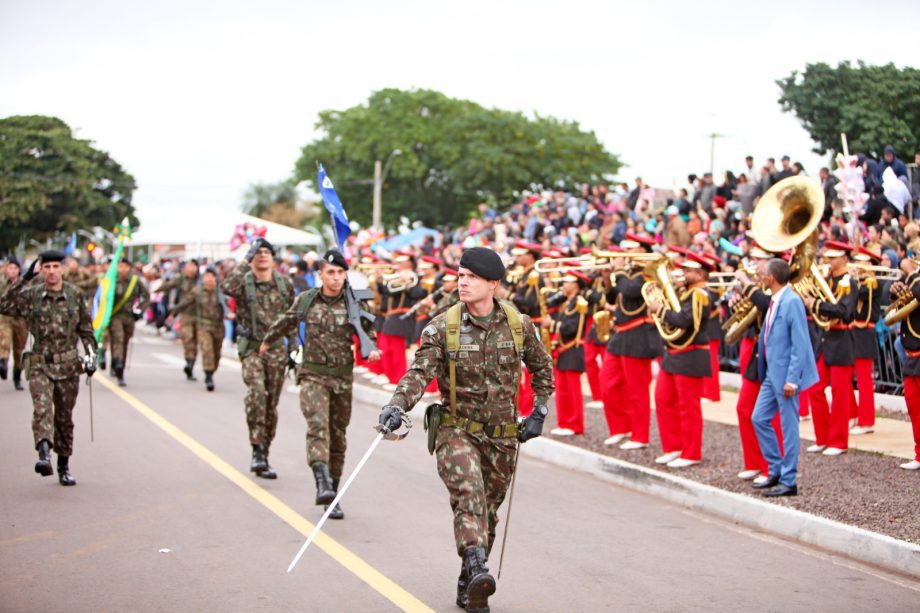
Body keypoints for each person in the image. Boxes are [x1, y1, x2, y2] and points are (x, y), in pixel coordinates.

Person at [378, 247, 554, 613]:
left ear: (493, 284)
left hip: (503, 436)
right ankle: (477, 568)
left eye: (472, 277)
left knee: (488, 512)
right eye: (460, 275)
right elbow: (419, 373)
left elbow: (543, 369)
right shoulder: (443, 327)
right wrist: (397, 405)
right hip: (457, 430)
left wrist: (538, 411)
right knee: (469, 495)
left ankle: (469, 579)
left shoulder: (518, 324)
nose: (463, 282)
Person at [261, 249, 381, 519]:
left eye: (340, 272)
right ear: (320, 275)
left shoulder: (356, 303)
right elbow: (286, 321)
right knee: (318, 427)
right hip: (313, 375)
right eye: (330, 272)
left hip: (342, 378)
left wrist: (371, 347)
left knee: (338, 437)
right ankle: (321, 480)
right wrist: (268, 341)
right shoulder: (306, 300)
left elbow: (369, 332)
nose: (336, 278)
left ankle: (333, 494)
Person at [0, 251, 97, 485]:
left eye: (56, 266)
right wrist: (24, 278)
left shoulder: (75, 295)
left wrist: (92, 356)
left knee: (64, 418)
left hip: (68, 366)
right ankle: (44, 454)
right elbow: (4, 304)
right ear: (41, 270)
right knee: (43, 409)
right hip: (40, 363)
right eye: (47, 267)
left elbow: (86, 330)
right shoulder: (32, 295)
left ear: (62, 269)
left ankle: (64, 464)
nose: (52, 271)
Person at [221, 238, 296, 479]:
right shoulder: (244, 282)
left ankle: (265, 450)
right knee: (257, 393)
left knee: (271, 403)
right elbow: (226, 287)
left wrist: (295, 349)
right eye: (258, 252)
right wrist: (245, 260)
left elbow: (292, 318)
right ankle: (256, 450)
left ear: (273, 258)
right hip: (252, 348)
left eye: (267, 252)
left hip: (276, 351)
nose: (262, 255)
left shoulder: (285, 284)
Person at [751, 258, 819, 496]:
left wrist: (793, 379)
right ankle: (776, 468)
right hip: (772, 374)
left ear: (772, 278)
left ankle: (789, 480)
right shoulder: (776, 299)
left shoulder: (791, 301)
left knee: (789, 427)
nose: (760, 276)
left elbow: (800, 344)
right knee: (758, 418)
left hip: (786, 377)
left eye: (763, 273)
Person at [645, 250, 714, 469]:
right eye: (684, 270)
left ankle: (691, 452)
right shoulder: (685, 292)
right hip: (674, 353)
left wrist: (660, 309)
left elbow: (685, 321)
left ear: (700, 274)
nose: (683, 273)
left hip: (691, 354)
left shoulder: (700, 294)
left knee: (688, 407)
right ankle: (673, 447)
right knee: (663, 399)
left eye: (688, 271)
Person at [601, 234, 662, 449]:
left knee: (637, 391)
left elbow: (630, 291)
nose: (626, 253)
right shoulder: (626, 273)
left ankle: (640, 436)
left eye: (632, 249)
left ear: (644, 251)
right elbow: (613, 299)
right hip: (620, 334)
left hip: (638, 334)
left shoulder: (648, 272)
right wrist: (608, 279)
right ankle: (620, 428)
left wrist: (617, 271)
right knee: (608, 384)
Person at [802, 241, 858, 456]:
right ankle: (822, 437)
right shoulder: (827, 280)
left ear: (844, 258)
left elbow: (843, 311)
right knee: (815, 389)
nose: (829, 261)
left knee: (840, 393)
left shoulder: (849, 282)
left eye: (834, 257)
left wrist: (814, 304)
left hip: (842, 339)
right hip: (825, 339)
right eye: (828, 257)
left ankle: (838, 441)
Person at [172, 266, 228, 391]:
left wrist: (231, 314)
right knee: (206, 349)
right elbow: (186, 301)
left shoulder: (221, 291)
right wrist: (174, 312)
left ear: (216, 278)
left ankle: (211, 371)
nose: (209, 279)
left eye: (211, 277)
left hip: (218, 326)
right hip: (203, 325)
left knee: (216, 354)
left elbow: (230, 305)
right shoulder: (198, 291)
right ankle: (208, 377)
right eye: (206, 277)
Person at [891, 258, 920, 470]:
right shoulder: (914, 278)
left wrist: (910, 274)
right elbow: (893, 301)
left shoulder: (915, 277)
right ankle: (919, 454)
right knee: (914, 407)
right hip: (912, 353)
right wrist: (896, 290)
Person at [108, 258, 149, 386]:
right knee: (118, 339)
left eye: (125, 266)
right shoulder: (111, 280)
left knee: (124, 342)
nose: (123, 269)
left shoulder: (135, 281)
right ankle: (118, 365)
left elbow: (146, 296)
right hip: (115, 316)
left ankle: (119, 366)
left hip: (129, 317)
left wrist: (140, 310)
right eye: (120, 266)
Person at [160, 259, 201, 380]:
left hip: (200, 315)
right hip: (186, 314)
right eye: (189, 265)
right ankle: (189, 362)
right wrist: (155, 290)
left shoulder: (201, 281)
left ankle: (191, 364)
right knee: (188, 339)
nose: (192, 268)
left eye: (194, 265)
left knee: (196, 342)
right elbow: (168, 285)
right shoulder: (180, 279)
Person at [0, 258, 29, 390]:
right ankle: (3, 365)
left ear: (19, 270)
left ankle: (17, 376)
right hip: (5, 318)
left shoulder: (25, 283)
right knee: (3, 343)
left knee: (19, 351)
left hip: (21, 320)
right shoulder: (1, 283)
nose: (12, 271)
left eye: (15, 268)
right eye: (9, 268)